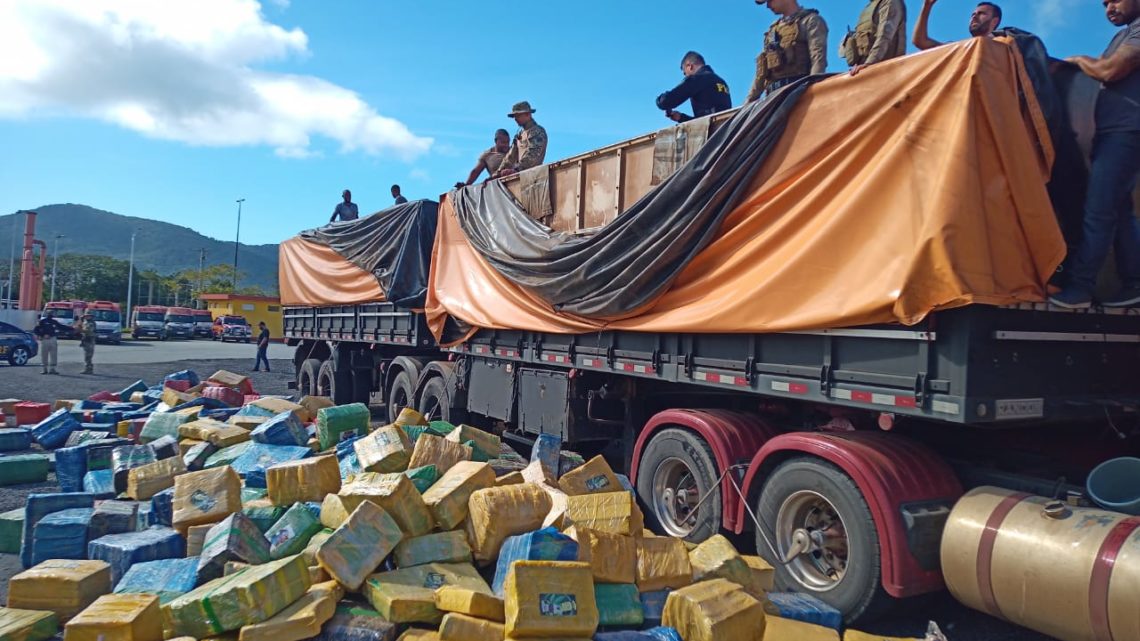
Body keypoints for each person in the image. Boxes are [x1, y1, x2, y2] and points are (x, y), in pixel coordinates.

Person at [1049, 0, 1140, 308]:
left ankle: (1081, 287)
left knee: (1098, 210)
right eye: (1103, 5)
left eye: (1114, 0)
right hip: (1113, 133)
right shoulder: (1122, 36)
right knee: (1121, 214)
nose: (1109, 8)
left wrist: (1077, 58)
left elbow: (1110, 70)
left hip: (1127, 131)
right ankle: (1134, 283)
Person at [747, 0, 829, 102]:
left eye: (770, 1)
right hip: (772, 99)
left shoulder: (810, 21)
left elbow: (818, 60)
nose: (768, 6)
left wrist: (812, 92)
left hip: (798, 94)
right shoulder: (772, 31)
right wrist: (747, 103)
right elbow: (761, 73)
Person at [655, 51, 732, 122]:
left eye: (685, 73)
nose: (686, 75)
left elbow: (666, 101)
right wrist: (681, 118)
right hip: (726, 133)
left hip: (713, 135)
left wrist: (659, 100)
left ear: (690, 66)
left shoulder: (698, 78)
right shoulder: (721, 82)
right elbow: (709, 119)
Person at [840, 0, 908, 76]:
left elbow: (884, 36)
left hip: (886, 72)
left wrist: (869, 63)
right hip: (865, 70)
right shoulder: (869, 8)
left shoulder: (890, 2)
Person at [913, 0, 1002, 50]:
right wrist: (926, 6)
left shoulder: (1003, 49)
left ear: (994, 21)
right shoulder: (958, 48)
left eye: (981, 13)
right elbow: (920, 41)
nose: (974, 17)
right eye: (973, 14)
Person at [494, 102, 549, 178]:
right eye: (514, 116)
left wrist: (516, 169)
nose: (515, 119)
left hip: (534, 177)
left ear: (528, 114)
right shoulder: (520, 134)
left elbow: (533, 154)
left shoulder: (537, 131)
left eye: (518, 115)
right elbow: (510, 157)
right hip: (521, 176)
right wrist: (497, 174)